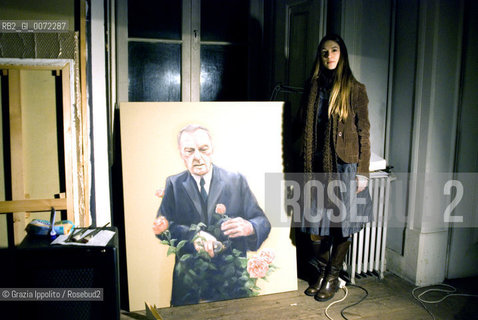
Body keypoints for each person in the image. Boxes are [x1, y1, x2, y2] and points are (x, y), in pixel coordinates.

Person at [152, 124, 271, 306]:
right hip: (189, 286)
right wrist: (193, 236)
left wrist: (250, 227)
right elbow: (163, 228)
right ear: (181, 153)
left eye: (203, 149)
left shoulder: (236, 180)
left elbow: (262, 221)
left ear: (212, 150)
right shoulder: (174, 184)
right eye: (189, 151)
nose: (197, 157)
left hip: (232, 284)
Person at [300, 34, 373, 302]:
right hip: (316, 164)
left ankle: (332, 276)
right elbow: (303, 125)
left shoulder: (355, 89)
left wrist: (362, 172)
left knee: (344, 224)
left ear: (342, 54)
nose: (329, 56)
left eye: (334, 50)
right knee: (314, 223)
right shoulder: (313, 87)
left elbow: (364, 133)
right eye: (324, 52)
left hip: (345, 166)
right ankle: (321, 272)